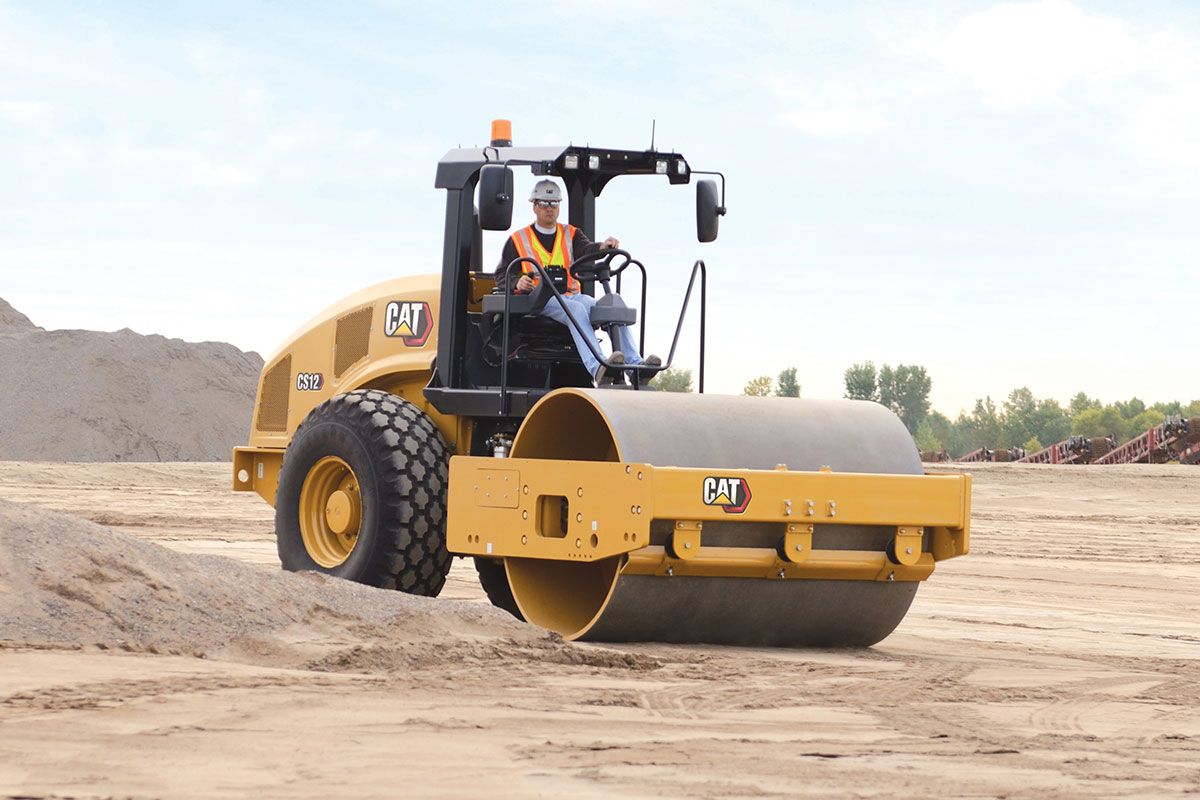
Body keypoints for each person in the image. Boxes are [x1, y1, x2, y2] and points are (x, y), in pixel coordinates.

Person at [496, 179, 660, 384]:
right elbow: (502, 274)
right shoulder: (518, 239)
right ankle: (598, 367)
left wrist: (602, 247)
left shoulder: (570, 234)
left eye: (554, 203)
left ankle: (635, 367)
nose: (550, 208)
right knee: (576, 310)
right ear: (535, 206)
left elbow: (588, 249)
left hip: (571, 295)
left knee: (610, 305)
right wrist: (516, 283)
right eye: (545, 203)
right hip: (540, 300)